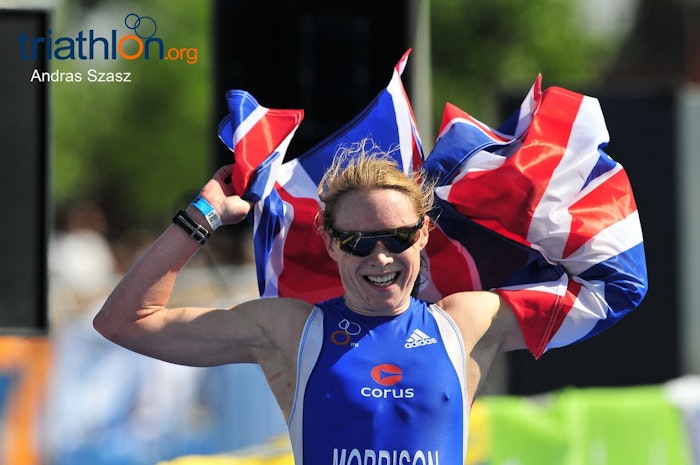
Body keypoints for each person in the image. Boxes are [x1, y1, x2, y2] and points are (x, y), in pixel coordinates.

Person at [94, 143, 527, 464]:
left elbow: (578, 295)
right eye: (358, 242)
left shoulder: (467, 321)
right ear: (330, 243)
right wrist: (203, 215)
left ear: (424, 233)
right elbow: (124, 322)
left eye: (398, 237)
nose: (380, 258)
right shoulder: (291, 331)